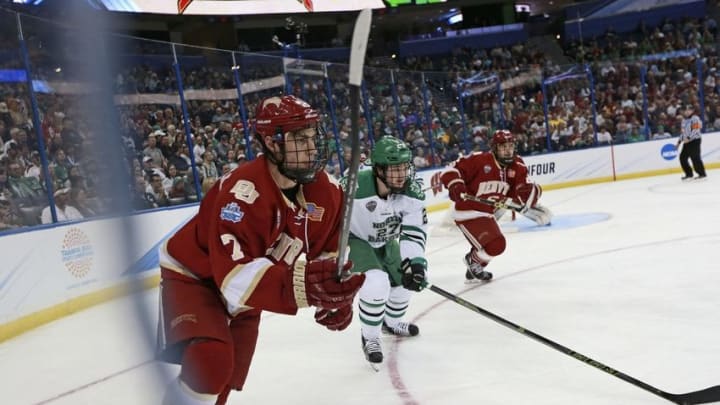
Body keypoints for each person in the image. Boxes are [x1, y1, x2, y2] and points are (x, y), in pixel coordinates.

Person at [157, 95, 365, 405]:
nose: (310, 146)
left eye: (312, 136)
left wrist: (333, 295)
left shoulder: (327, 191)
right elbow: (232, 276)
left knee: (226, 377)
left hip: (250, 283)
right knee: (212, 361)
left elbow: (328, 248)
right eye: (298, 137)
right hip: (196, 275)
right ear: (271, 142)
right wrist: (304, 286)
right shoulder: (241, 193)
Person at [342, 136, 428, 366]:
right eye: (394, 169)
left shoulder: (412, 192)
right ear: (378, 169)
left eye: (404, 167)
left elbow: (413, 231)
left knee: (404, 282)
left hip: (387, 240)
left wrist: (416, 263)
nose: (401, 174)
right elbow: (331, 212)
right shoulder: (355, 186)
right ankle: (370, 337)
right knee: (376, 283)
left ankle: (390, 322)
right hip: (357, 240)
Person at [438, 129, 552, 282]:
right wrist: (455, 184)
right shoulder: (479, 160)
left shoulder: (518, 166)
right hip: (468, 211)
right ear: (494, 148)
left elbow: (526, 194)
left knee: (491, 244)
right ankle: (474, 262)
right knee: (497, 244)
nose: (507, 151)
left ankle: (474, 267)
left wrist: (529, 193)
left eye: (510, 146)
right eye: (503, 147)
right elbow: (451, 170)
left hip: (488, 213)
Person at [676, 104, 707, 181]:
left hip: (695, 141)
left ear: (692, 111)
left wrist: (689, 138)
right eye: (685, 110)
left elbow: (696, 130)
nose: (686, 112)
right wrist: (679, 142)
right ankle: (689, 174)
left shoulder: (695, 118)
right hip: (687, 142)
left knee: (695, 157)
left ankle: (702, 174)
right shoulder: (683, 121)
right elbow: (683, 133)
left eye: (688, 110)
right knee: (682, 158)